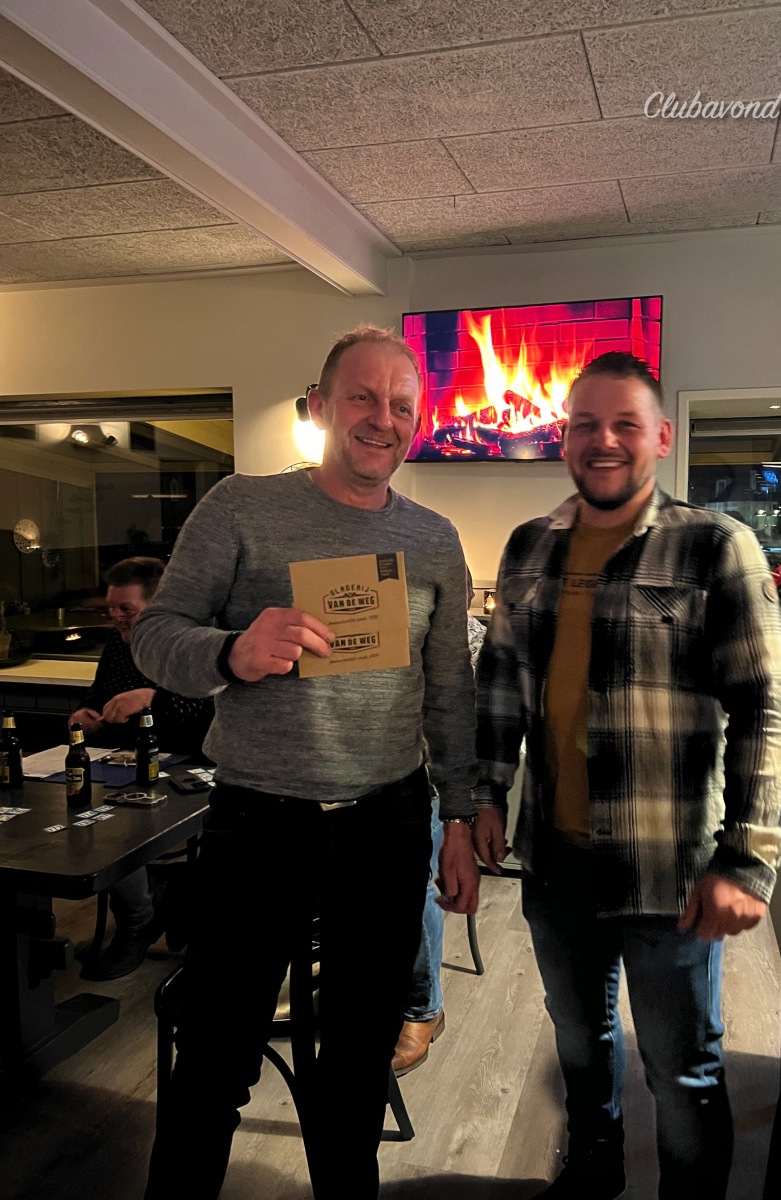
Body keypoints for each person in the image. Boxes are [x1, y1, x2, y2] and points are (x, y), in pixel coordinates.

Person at [132, 325, 480, 1200]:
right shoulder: (240, 508)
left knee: (359, 1064)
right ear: (320, 406)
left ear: (418, 422)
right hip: (259, 821)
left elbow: (450, 693)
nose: (381, 418)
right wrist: (231, 652)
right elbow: (154, 634)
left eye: (401, 405)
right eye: (362, 397)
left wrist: (460, 818)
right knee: (214, 1059)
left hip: (387, 825)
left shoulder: (434, 540)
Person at [473, 351, 781, 1200]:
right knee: (579, 1044)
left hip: (669, 868)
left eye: (625, 423)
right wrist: (483, 795)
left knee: (682, 1071)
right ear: (564, 440)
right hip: (556, 863)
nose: (603, 440)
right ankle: (592, 1174)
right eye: (585, 424)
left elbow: (765, 710)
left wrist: (747, 857)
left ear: (662, 435)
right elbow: (499, 683)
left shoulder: (715, 546)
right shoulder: (529, 547)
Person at [72, 557, 214, 981]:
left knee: (112, 828)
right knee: (82, 815)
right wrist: (86, 714)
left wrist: (152, 698)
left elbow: (211, 713)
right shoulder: (118, 645)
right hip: (126, 763)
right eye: (110, 609)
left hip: (190, 768)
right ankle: (154, 894)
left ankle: (138, 920)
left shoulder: (191, 642)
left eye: (126, 609)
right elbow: (99, 695)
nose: (116, 617)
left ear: (157, 606)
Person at [392, 566, 486, 1075]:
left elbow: (466, 720)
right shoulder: (398, 632)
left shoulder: (473, 642)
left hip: (432, 780)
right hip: (383, 774)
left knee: (414, 886)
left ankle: (423, 1008)